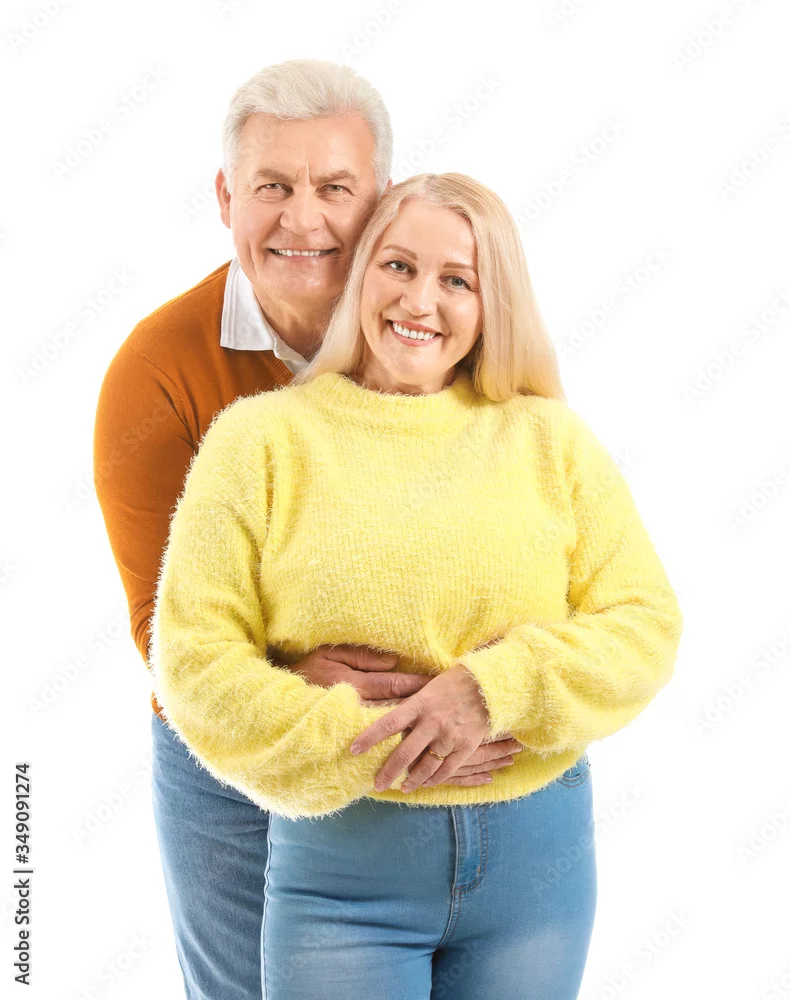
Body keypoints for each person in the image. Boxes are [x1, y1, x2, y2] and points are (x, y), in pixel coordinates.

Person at [150, 171, 684, 999]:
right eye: (397, 265)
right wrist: (365, 739)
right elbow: (192, 664)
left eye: (457, 280)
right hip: (343, 876)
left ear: (491, 303)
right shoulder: (260, 441)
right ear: (361, 271)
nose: (420, 300)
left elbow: (645, 625)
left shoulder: (549, 439)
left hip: (536, 873)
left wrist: (495, 688)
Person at [92, 59, 521, 999]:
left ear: (382, 201)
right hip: (231, 763)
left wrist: (492, 685)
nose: (303, 220)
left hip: (438, 739)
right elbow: (162, 632)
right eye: (271, 188)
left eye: (335, 188)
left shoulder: (444, 334)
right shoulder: (156, 373)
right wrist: (297, 692)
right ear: (225, 198)